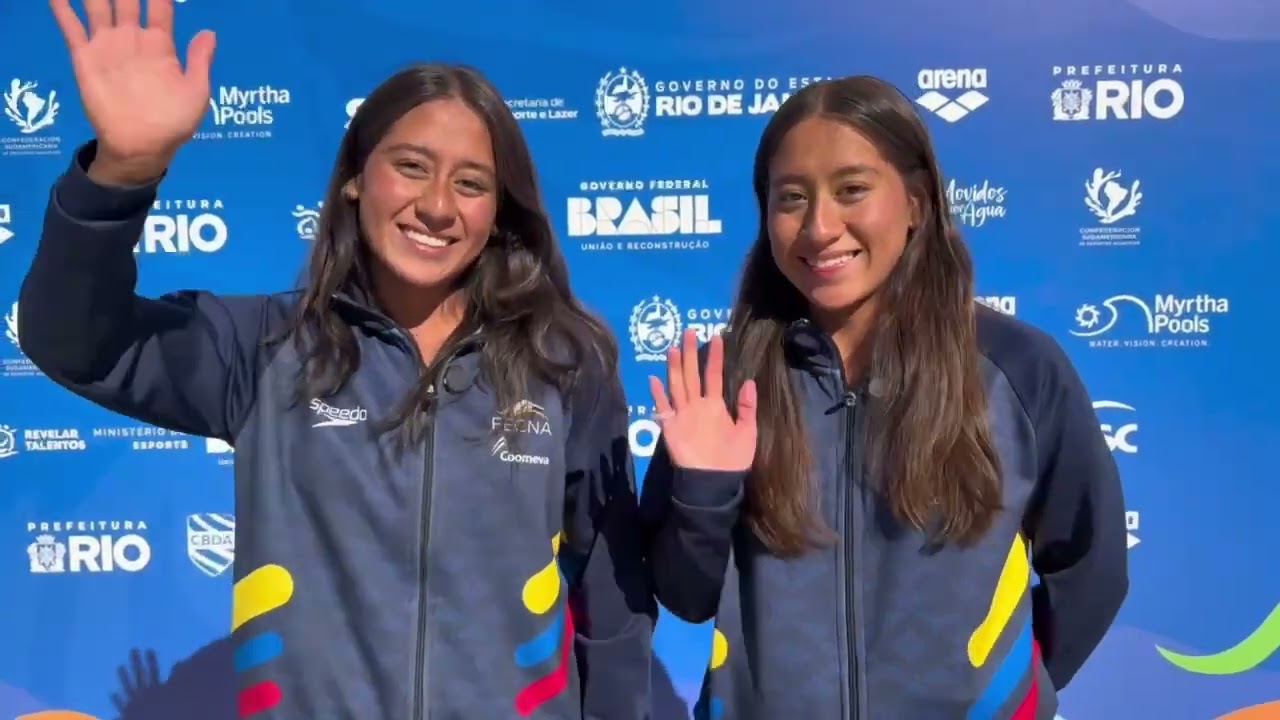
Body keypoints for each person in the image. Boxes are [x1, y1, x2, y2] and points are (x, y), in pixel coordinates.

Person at [22, 1, 656, 717]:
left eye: (472, 183)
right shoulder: (261, 346)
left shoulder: (565, 364)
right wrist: (120, 175)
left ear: (499, 211)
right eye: (411, 167)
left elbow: (612, 601)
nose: (439, 206)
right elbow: (71, 341)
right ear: (356, 178)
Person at [640, 75, 1129, 719]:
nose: (819, 226)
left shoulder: (1017, 368)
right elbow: (682, 596)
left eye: (851, 190)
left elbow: (1091, 570)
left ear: (918, 202)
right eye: (791, 198)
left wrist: (1007, 694)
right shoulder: (727, 381)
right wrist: (702, 490)